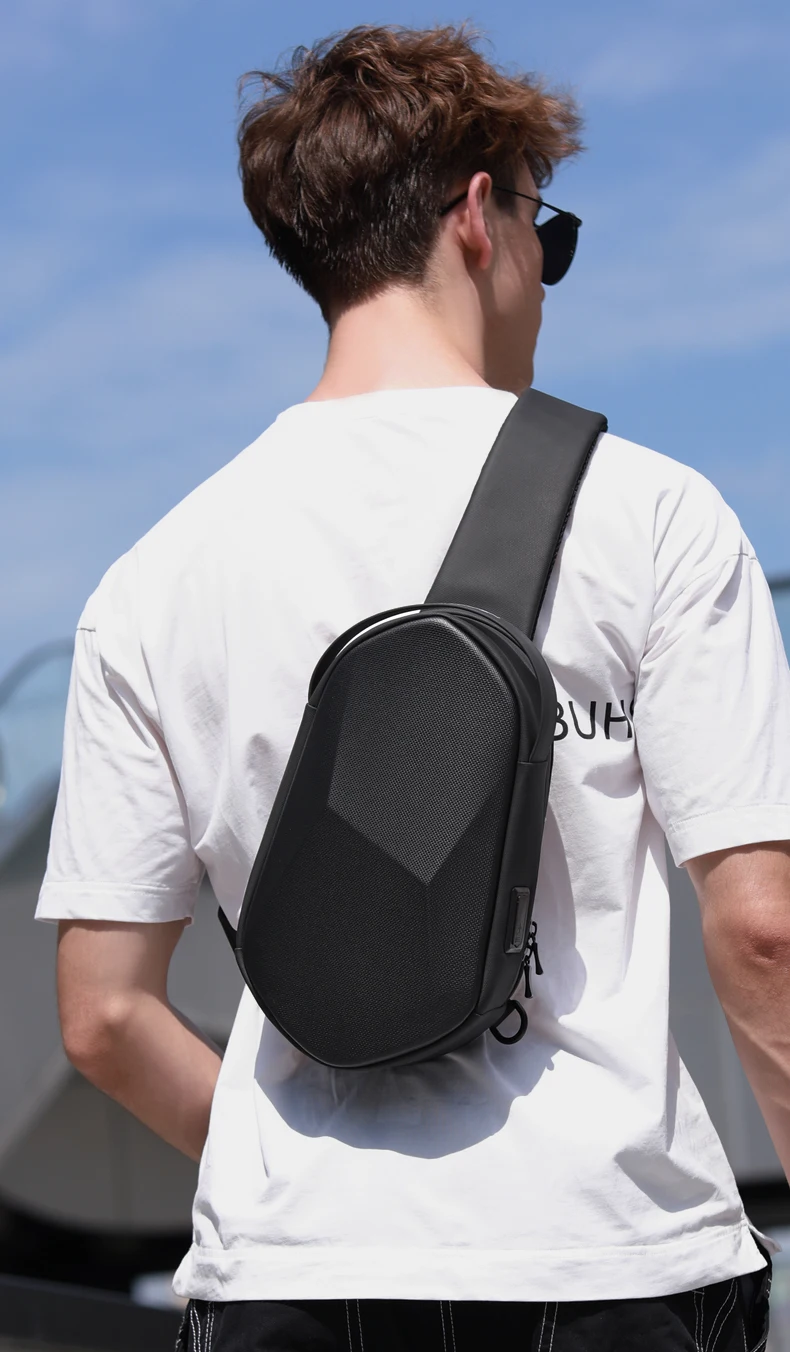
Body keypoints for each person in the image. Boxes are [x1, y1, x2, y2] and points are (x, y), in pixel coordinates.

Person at [37, 23, 790, 1352]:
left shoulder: (152, 580)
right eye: (550, 235)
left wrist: (287, 1173)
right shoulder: (651, 515)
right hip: (606, 1259)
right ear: (480, 213)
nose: (546, 281)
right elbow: (762, 932)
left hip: (288, 1278)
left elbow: (101, 1016)